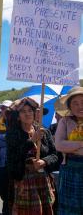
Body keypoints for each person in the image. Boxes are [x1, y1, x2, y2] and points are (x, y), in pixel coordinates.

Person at [6, 97, 58, 215]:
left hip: (43, 180)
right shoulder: (12, 134)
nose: (27, 114)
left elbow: (55, 156)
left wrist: (44, 162)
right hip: (23, 183)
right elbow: (12, 159)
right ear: (18, 116)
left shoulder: (45, 132)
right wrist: (31, 141)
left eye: (30, 110)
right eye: (23, 111)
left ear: (35, 113)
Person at [54, 87, 83, 215]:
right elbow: (59, 145)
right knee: (71, 208)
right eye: (75, 103)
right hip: (71, 168)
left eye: (82, 102)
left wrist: (71, 145)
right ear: (69, 107)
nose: (79, 106)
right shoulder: (64, 121)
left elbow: (66, 144)